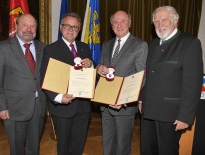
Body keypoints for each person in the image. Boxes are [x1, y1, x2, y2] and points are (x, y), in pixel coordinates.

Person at [140, 6, 203, 155]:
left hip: (171, 114)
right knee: (147, 149)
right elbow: (148, 76)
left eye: (164, 20)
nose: (160, 24)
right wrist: (142, 99)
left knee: (167, 151)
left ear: (175, 21)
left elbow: (193, 83)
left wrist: (185, 116)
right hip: (148, 110)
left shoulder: (190, 43)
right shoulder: (153, 43)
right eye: (156, 21)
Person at [0, 13, 46, 155]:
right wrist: (1, 106)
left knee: (34, 148)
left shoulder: (42, 47)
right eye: (25, 25)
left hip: (38, 107)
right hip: (14, 108)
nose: (29, 29)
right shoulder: (2, 48)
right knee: (16, 149)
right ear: (16, 27)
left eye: (33, 26)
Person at [97, 10, 148, 155]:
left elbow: (141, 77)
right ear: (111, 25)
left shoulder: (140, 45)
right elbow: (101, 65)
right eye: (115, 22)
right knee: (108, 144)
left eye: (123, 21)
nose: (119, 25)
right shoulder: (106, 44)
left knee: (122, 146)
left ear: (130, 23)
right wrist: (99, 68)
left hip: (124, 106)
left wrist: (124, 100)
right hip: (106, 104)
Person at [41, 12, 93, 155]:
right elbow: (44, 78)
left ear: (79, 30)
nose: (71, 29)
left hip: (83, 107)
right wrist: (58, 98)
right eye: (67, 26)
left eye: (75, 27)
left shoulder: (84, 48)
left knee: (78, 145)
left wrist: (91, 64)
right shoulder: (51, 50)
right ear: (60, 27)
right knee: (63, 146)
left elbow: (90, 74)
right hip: (63, 108)